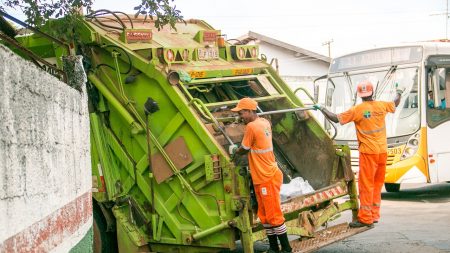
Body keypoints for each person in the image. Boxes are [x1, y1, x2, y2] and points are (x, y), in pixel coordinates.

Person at [313, 80, 402, 228]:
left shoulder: (358, 110)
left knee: (366, 185)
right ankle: (374, 215)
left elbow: (336, 118)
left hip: (368, 153)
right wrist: (399, 92)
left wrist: (322, 108)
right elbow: (395, 103)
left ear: (359, 94)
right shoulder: (382, 105)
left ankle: (366, 218)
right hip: (382, 152)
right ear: (372, 92)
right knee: (377, 184)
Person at [229, 97, 292, 253]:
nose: (240, 116)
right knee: (264, 215)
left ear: (250, 111)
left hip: (266, 177)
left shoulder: (251, 126)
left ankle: (286, 248)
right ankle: (273, 247)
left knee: (274, 215)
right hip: (264, 175)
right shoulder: (264, 122)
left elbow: (244, 148)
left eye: (242, 112)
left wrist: (234, 151)